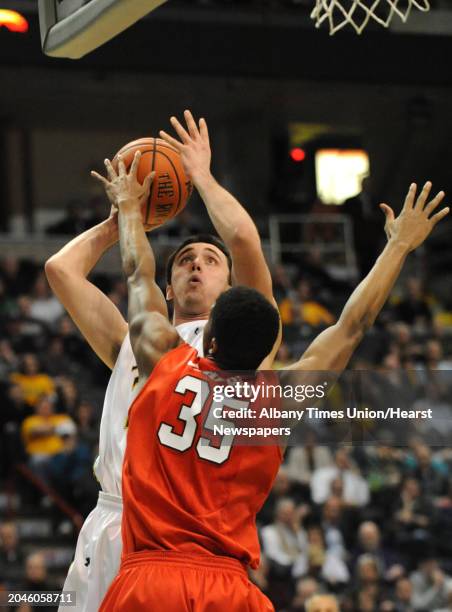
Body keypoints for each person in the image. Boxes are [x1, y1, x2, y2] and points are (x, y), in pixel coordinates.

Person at [99, 159, 448, 610]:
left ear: (210, 337)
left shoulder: (165, 359)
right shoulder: (279, 397)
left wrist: (128, 207)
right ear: (267, 352)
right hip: (228, 586)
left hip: (149, 577)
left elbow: (137, 272)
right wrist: (398, 246)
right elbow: (351, 326)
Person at [45, 110, 278, 612]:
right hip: (113, 522)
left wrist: (202, 177)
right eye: (185, 260)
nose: (197, 263)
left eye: (210, 261)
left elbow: (243, 240)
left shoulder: (251, 347)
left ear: (232, 289)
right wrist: (121, 218)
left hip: (182, 538)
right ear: (166, 288)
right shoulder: (138, 335)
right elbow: (60, 269)